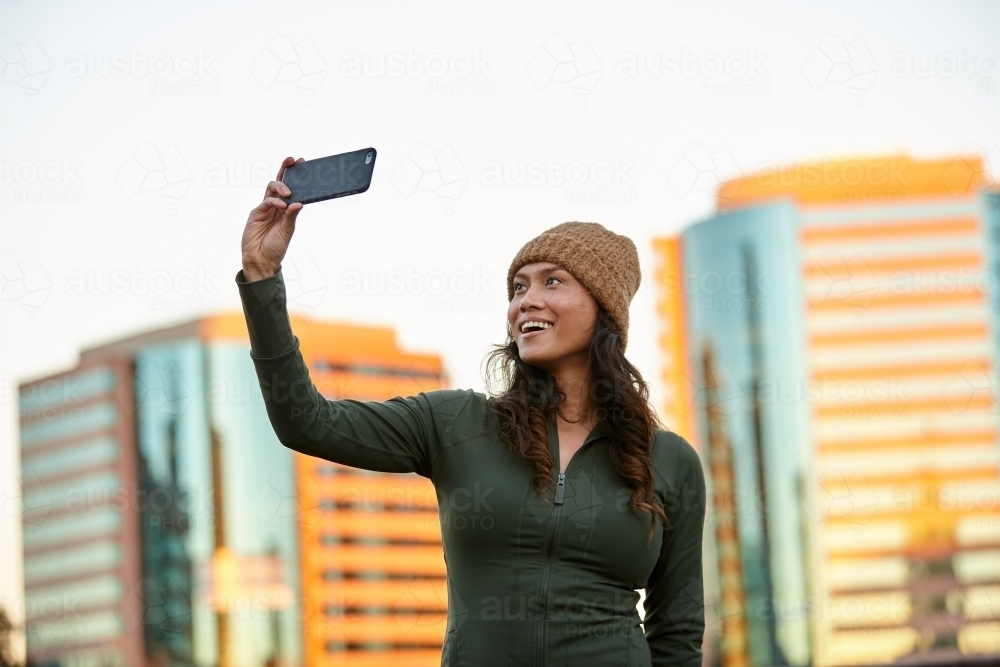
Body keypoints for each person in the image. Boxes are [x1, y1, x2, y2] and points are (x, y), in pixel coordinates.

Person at [237, 157, 707, 667]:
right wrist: (263, 277)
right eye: (518, 287)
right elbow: (306, 422)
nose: (526, 300)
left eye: (553, 282)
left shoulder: (669, 461)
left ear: (604, 310)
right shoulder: (456, 423)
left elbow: (677, 630)